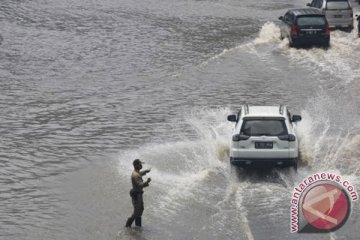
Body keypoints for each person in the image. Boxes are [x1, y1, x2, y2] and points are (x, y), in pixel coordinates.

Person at [125, 159, 151, 228]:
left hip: (139, 194)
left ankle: (138, 226)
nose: (141, 165)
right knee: (136, 212)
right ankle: (127, 226)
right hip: (136, 195)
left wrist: (146, 171)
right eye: (140, 164)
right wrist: (147, 182)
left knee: (141, 209)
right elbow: (140, 184)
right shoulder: (135, 175)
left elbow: (140, 174)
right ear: (136, 166)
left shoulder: (137, 172)